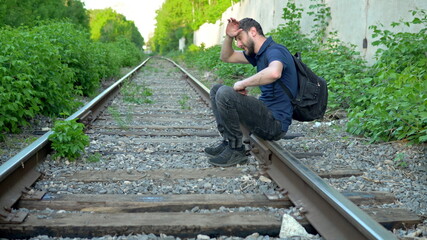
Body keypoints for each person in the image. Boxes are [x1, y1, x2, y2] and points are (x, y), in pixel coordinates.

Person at [205, 17, 298, 167]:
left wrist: (242, 83)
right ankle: (229, 141)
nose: (239, 44)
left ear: (253, 32)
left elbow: (274, 72)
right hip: (265, 115)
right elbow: (226, 56)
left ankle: (236, 151)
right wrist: (229, 36)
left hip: (275, 123)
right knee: (217, 89)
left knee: (225, 94)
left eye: (240, 38)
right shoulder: (259, 54)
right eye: (236, 40)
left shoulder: (276, 50)